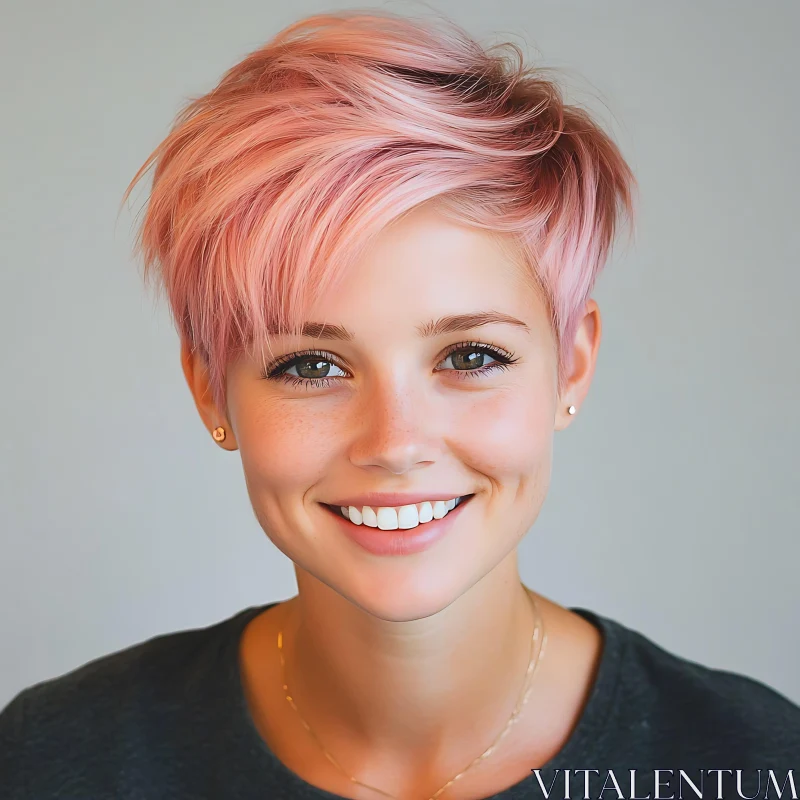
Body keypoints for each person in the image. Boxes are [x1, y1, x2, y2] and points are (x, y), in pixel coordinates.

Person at [2, 9, 798, 800]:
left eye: (471, 356)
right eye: (311, 364)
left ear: (573, 365)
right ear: (210, 387)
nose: (396, 441)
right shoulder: (54, 758)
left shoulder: (761, 765)